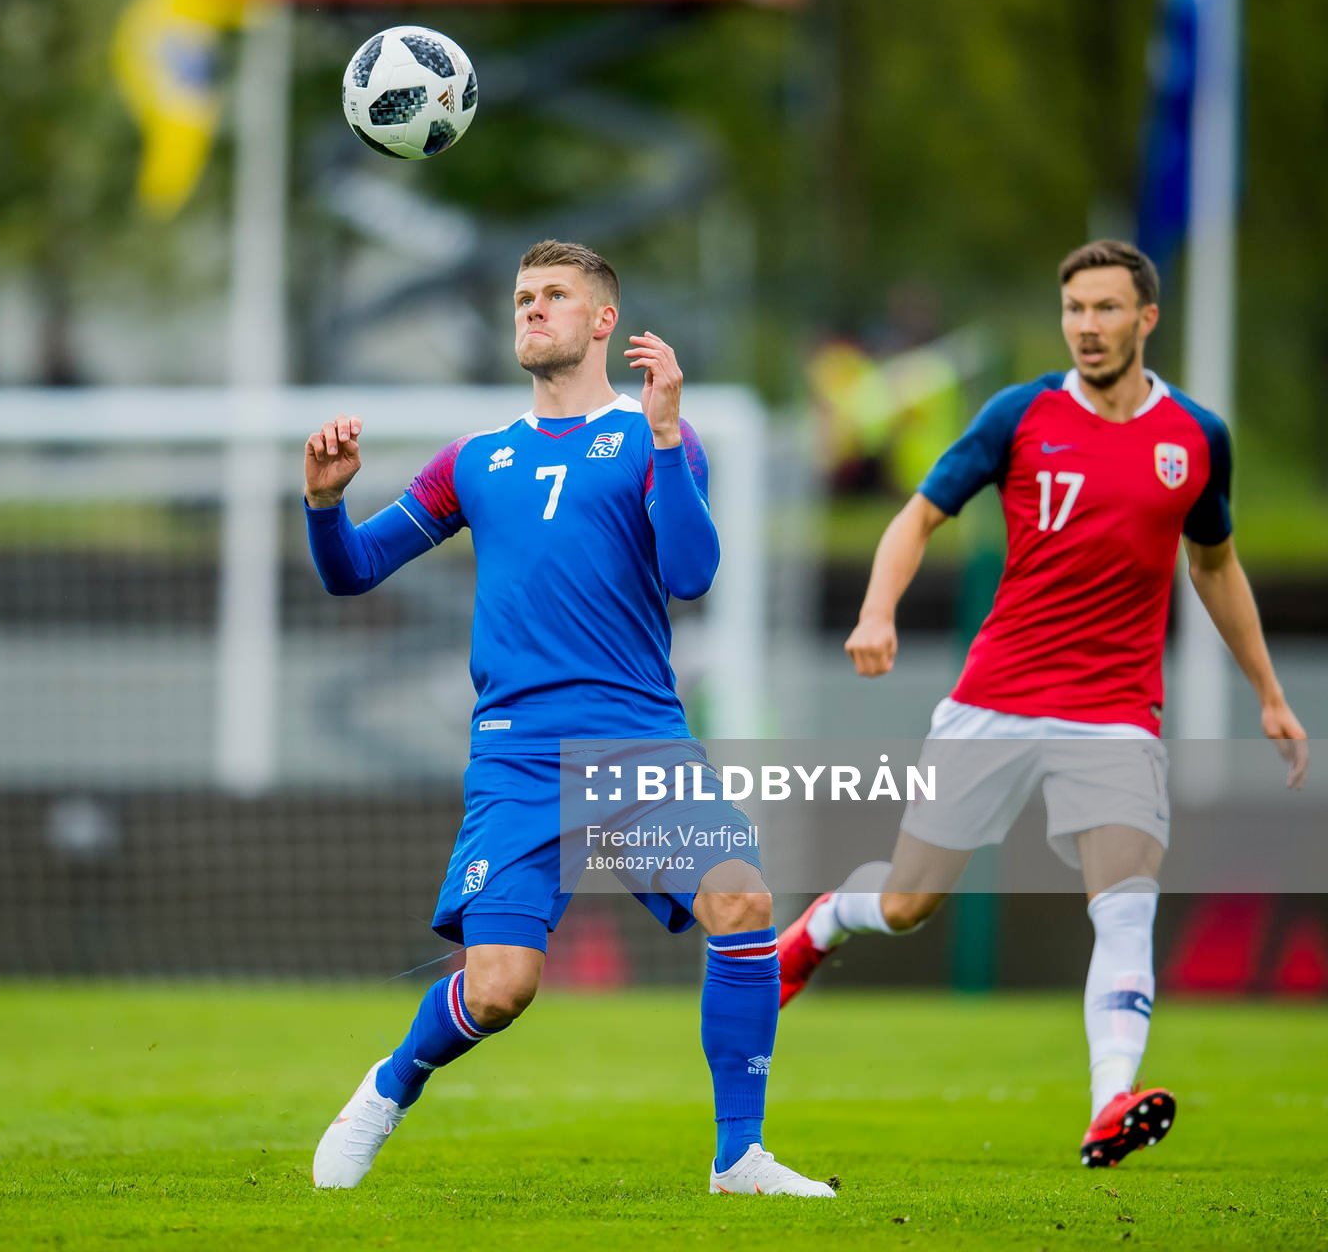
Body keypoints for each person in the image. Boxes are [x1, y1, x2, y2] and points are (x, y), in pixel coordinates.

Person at [303, 240, 833, 1197]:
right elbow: (353, 571)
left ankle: (739, 1156)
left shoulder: (649, 437)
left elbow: (692, 575)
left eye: (553, 295)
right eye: (521, 297)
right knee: (503, 987)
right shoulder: (475, 460)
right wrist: (325, 507)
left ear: (602, 322)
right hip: (517, 758)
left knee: (744, 898)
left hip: (640, 741)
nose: (532, 309)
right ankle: (390, 1084)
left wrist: (669, 440)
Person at [777, 240, 1310, 1168]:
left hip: (1116, 714)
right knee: (908, 903)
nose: (1088, 327)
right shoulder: (1020, 415)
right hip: (998, 697)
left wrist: (1268, 694)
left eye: (1107, 310)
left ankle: (1112, 1103)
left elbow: (1215, 565)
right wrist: (876, 611)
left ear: (1146, 320)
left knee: (1127, 903)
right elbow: (917, 516)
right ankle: (823, 925)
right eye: (1075, 310)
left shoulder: (1195, 438)